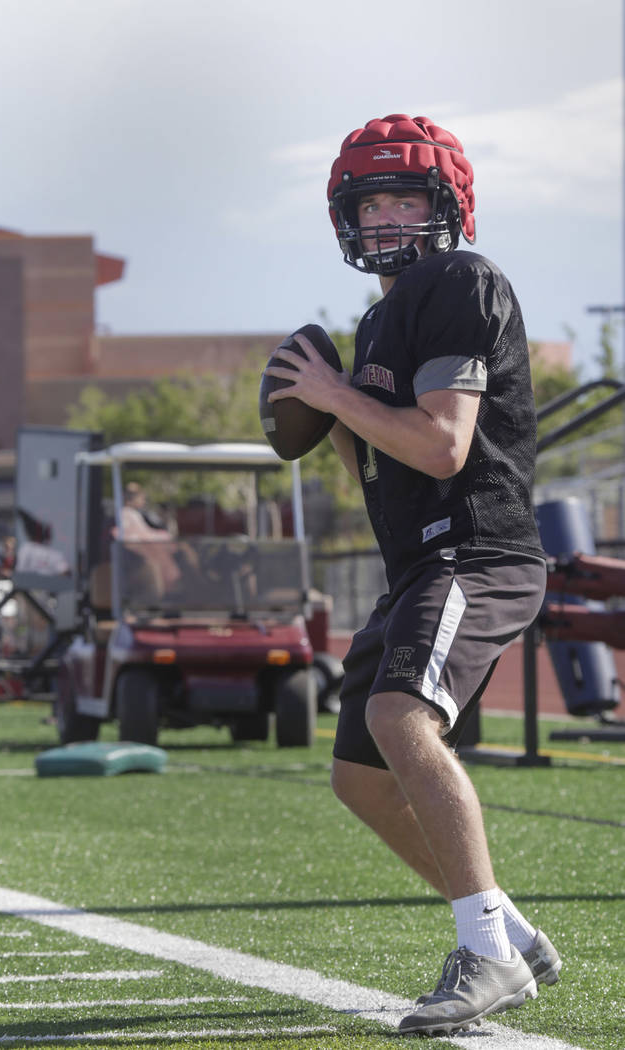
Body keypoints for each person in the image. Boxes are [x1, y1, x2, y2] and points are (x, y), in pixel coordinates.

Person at [264, 113, 561, 1036]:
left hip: (476, 547)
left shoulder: (461, 279)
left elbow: (441, 448)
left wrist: (333, 396)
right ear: (343, 218)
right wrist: (329, 407)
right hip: (420, 564)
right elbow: (385, 456)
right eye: (371, 202)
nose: (388, 217)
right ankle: (507, 928)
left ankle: (484, 954)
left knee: (403, 717)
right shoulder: (378, 318)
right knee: (359, 777)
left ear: (447, 208)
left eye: (405, 198)